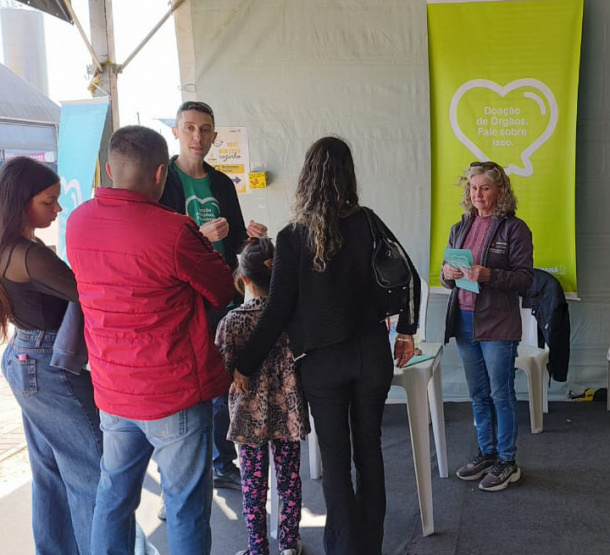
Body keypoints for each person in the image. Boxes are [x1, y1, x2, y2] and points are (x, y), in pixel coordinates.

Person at [231, 136, 420, 555]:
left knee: (335, 463)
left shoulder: (294, 237)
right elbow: (409, 275)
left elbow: (277, 309)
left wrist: (245, 364)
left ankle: (344, 549)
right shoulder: (369, 222)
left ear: (306, 178)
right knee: (370, 452)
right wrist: (406, 331)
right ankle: (370, 547)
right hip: (372, 355)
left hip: (322, 365)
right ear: (348, 175)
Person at [66, 125, 236, 553]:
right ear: (162, 174)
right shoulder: (175, 231)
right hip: (173, 391)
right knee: (185, 506)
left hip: (113, 391)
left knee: (113, 498)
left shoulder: (78, 222)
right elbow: (221, 289)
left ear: (109, 169)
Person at [160, 100, 268, 490]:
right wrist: (199, 237)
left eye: (204, 129)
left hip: (221, 294)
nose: (197, 136)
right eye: (189, 128)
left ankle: (223, 462)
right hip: (180, 296)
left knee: (224, 378)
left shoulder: (221, 183)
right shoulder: (162, 179)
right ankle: (190, 461)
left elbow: (236, 238)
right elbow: (157, 241)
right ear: (175, 131)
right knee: (189, 381)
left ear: (214, 136)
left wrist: (250, 237)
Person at [0, 157, 101, 554]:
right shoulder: (29, 254)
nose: (58, 209)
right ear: (22, 201)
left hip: (25, 360)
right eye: (49, 201)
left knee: (51, 474)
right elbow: (89, 294)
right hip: (47, 365)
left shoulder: (12, 247)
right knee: (92, 470)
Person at [441, 160, 533, 492]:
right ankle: (487, 453)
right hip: (464, 320)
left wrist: (489, 275)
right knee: (478, 395)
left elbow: (526, 279)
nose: (477, 194)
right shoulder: (459, 227)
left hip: (498, 322)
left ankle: (508, 461)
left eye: (485, 188)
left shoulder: (515, 229)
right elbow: (446, 271)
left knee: (500, 395)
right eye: (472, 187)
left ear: (500, 191)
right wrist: (447, 274)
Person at [215, 238, 308, 555]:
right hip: (289, 410)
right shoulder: (292, 318)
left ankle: (257, 548)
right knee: (289, 479)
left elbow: (225, 369)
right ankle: (289, 545)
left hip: (248, 416)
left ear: (242, 279)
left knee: (253, 485)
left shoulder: (232, 322)